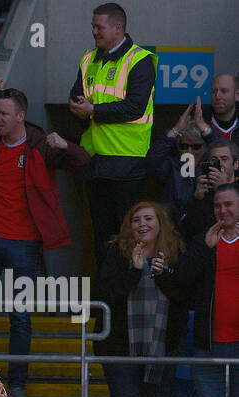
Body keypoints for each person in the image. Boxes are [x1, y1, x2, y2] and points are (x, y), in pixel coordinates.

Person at [0, 86, 89, 397]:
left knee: (19, 317)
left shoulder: (39, 144)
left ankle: (16, 386)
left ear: (21, 116)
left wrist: (65, 144)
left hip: (24, 244)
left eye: (4, 113)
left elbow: (83, 161)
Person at [93, 201, 192, 397]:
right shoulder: (116, 251)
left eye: (149, 218)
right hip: (120, 349)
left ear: (160, 223)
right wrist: (135, 270)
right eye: (136, 219)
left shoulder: (175, 253)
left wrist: (164, 275)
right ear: (129, 225)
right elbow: (105, 294)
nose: (142, 224)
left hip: (162, 347)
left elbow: (183, 294)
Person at [68, 2, 156, 271]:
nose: (94, 32)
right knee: (101, 240)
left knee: (129, 239)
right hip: (97, 163)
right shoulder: (88, 58)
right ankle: (106, 304)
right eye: (93, 26)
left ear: (118, 28)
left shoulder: (140, 60)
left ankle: (123, 305)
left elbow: (134, 107)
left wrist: (93, 109)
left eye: (99, 27)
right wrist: (79, 110)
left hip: (128, 164)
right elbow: (75, 99)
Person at [174, 184, 239, 397]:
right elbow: (181, 281)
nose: (222, 210)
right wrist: (205, 248)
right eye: (217, 205)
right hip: (208, 343)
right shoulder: (204, 239)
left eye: (228, 204)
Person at [207, 73, 238, 141]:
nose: (217, 96)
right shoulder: (202, 122)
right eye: (213, 91)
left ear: (237, 95)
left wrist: (208, 134)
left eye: (224, 91)